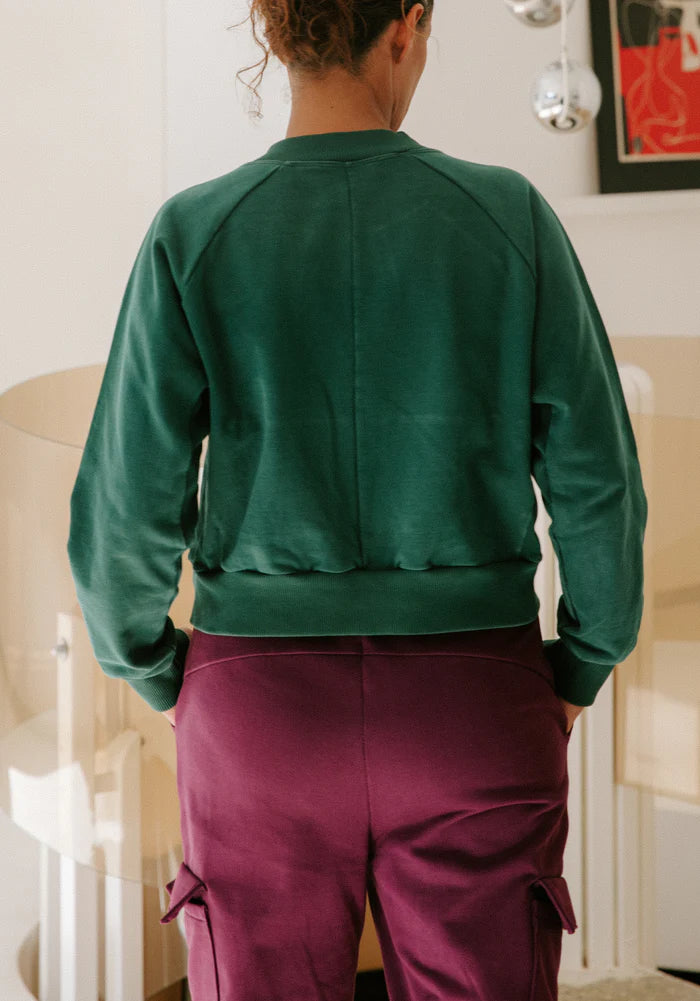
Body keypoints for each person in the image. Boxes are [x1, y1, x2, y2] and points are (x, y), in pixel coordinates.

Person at [66, 1, 648, 998]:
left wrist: (168, 675)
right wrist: (580, 663)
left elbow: (126, 507)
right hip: (474, 701)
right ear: (407, 27)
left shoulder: (192, 233)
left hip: (257, 716)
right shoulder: (508, 216)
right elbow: (597, 483)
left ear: (277, 34)